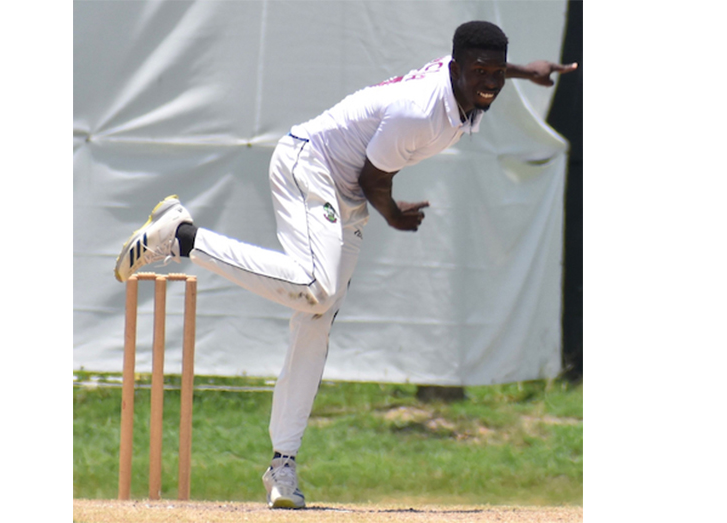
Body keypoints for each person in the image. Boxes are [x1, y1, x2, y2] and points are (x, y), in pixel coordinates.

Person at [114, 21, 577, 509]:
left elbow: (480, 73)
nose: (489, 82)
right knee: (316, 289)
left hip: (345, 190)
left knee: (317, 315)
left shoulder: (465, 84)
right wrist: (394, 215)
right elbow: (376, 179)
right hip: (310, 164)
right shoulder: (420, 113)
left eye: (497, 73)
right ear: (456, 68)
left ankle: (281, 466)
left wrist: (528, 72)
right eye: (479, 72)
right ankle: (183, 237)